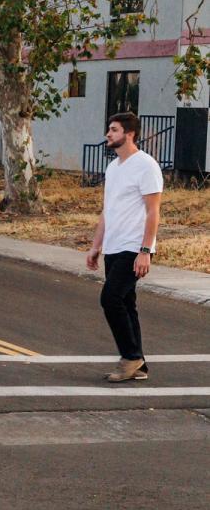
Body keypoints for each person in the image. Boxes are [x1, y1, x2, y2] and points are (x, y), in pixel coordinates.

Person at [85, 112, 163, 382]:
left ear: (129, 134)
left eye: (114, 130)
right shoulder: (114, 167)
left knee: (111, 298)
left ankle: (130, 357)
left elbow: (153, 212)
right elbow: (108, 210)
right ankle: (139, 365)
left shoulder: (146, 166)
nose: (108, 134)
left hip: (133, 246)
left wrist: (145, 250)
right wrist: (96, 246)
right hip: (114, 247)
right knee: (127, 303)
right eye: (109, 129)